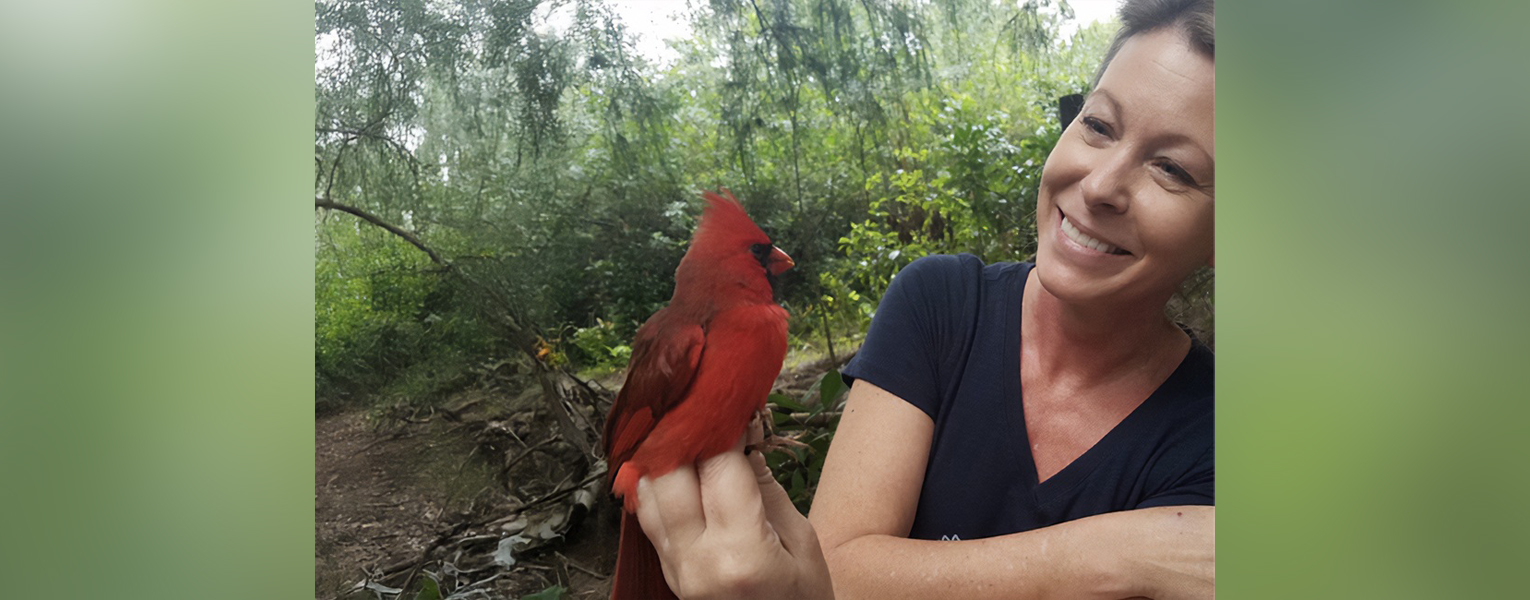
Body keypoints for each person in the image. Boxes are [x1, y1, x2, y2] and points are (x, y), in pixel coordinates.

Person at [633, 0, 1215, 597]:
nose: (1099, 187)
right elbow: (836, 572)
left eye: (1172, 168)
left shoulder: (1218, 430)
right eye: (1097, 125)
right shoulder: (940, 302)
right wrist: (1120, 554)